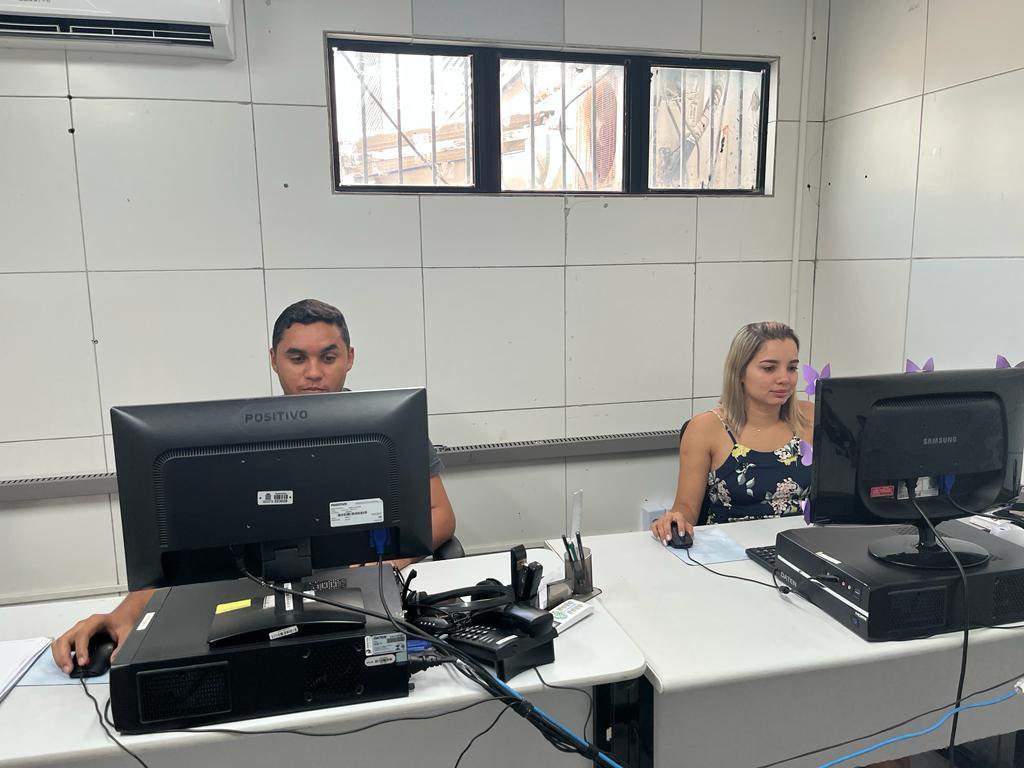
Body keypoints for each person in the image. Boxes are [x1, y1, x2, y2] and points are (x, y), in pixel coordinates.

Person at [52, 299, 456, 673]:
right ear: (273, 360)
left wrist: (389, 561)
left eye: (328, 357)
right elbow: (184, 555)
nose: (313, 373)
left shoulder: (387, 430)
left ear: (349, 358)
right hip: (265, 606)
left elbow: (441, 515)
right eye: (297, 358)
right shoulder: (241, 444)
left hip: (365, 599)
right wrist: (123, 615)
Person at [651, 321, 813, 544]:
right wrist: (675, 519)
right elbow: (686, 508)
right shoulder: (706, 428)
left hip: (800, 546)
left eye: (792, 368)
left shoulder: (811, 417)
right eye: (769, 368)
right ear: (740, 372)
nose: (784, 379)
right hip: (730, 552)